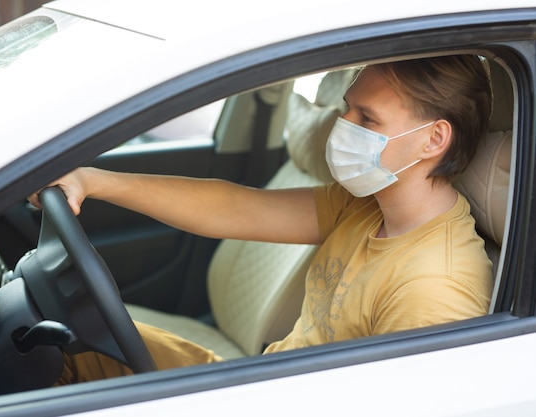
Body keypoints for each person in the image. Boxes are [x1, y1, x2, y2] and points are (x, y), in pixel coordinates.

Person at [29, 55, 494, 383]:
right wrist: (93, 180)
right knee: (68, 343)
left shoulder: (435, 290)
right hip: (257, 381)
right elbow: (231, 208)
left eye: (367, 119)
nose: (342, 125)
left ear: (434, 139)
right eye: (346, 108)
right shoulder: (366, 205)